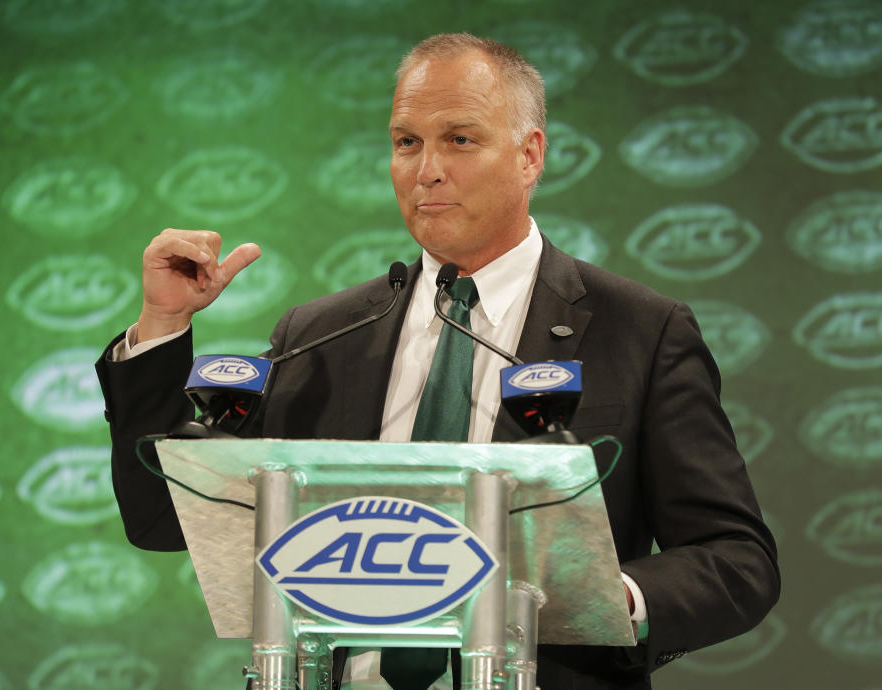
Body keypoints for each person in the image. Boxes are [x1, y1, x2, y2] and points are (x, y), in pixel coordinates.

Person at [96, 33, 779, 690]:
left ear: (529, 155)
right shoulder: (322, 334)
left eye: (460, 139)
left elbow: (736, 560)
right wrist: (165, 324)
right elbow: (161, 517)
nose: (427, 170)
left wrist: (605, 598)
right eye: (406, 142)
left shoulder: (641, 332)